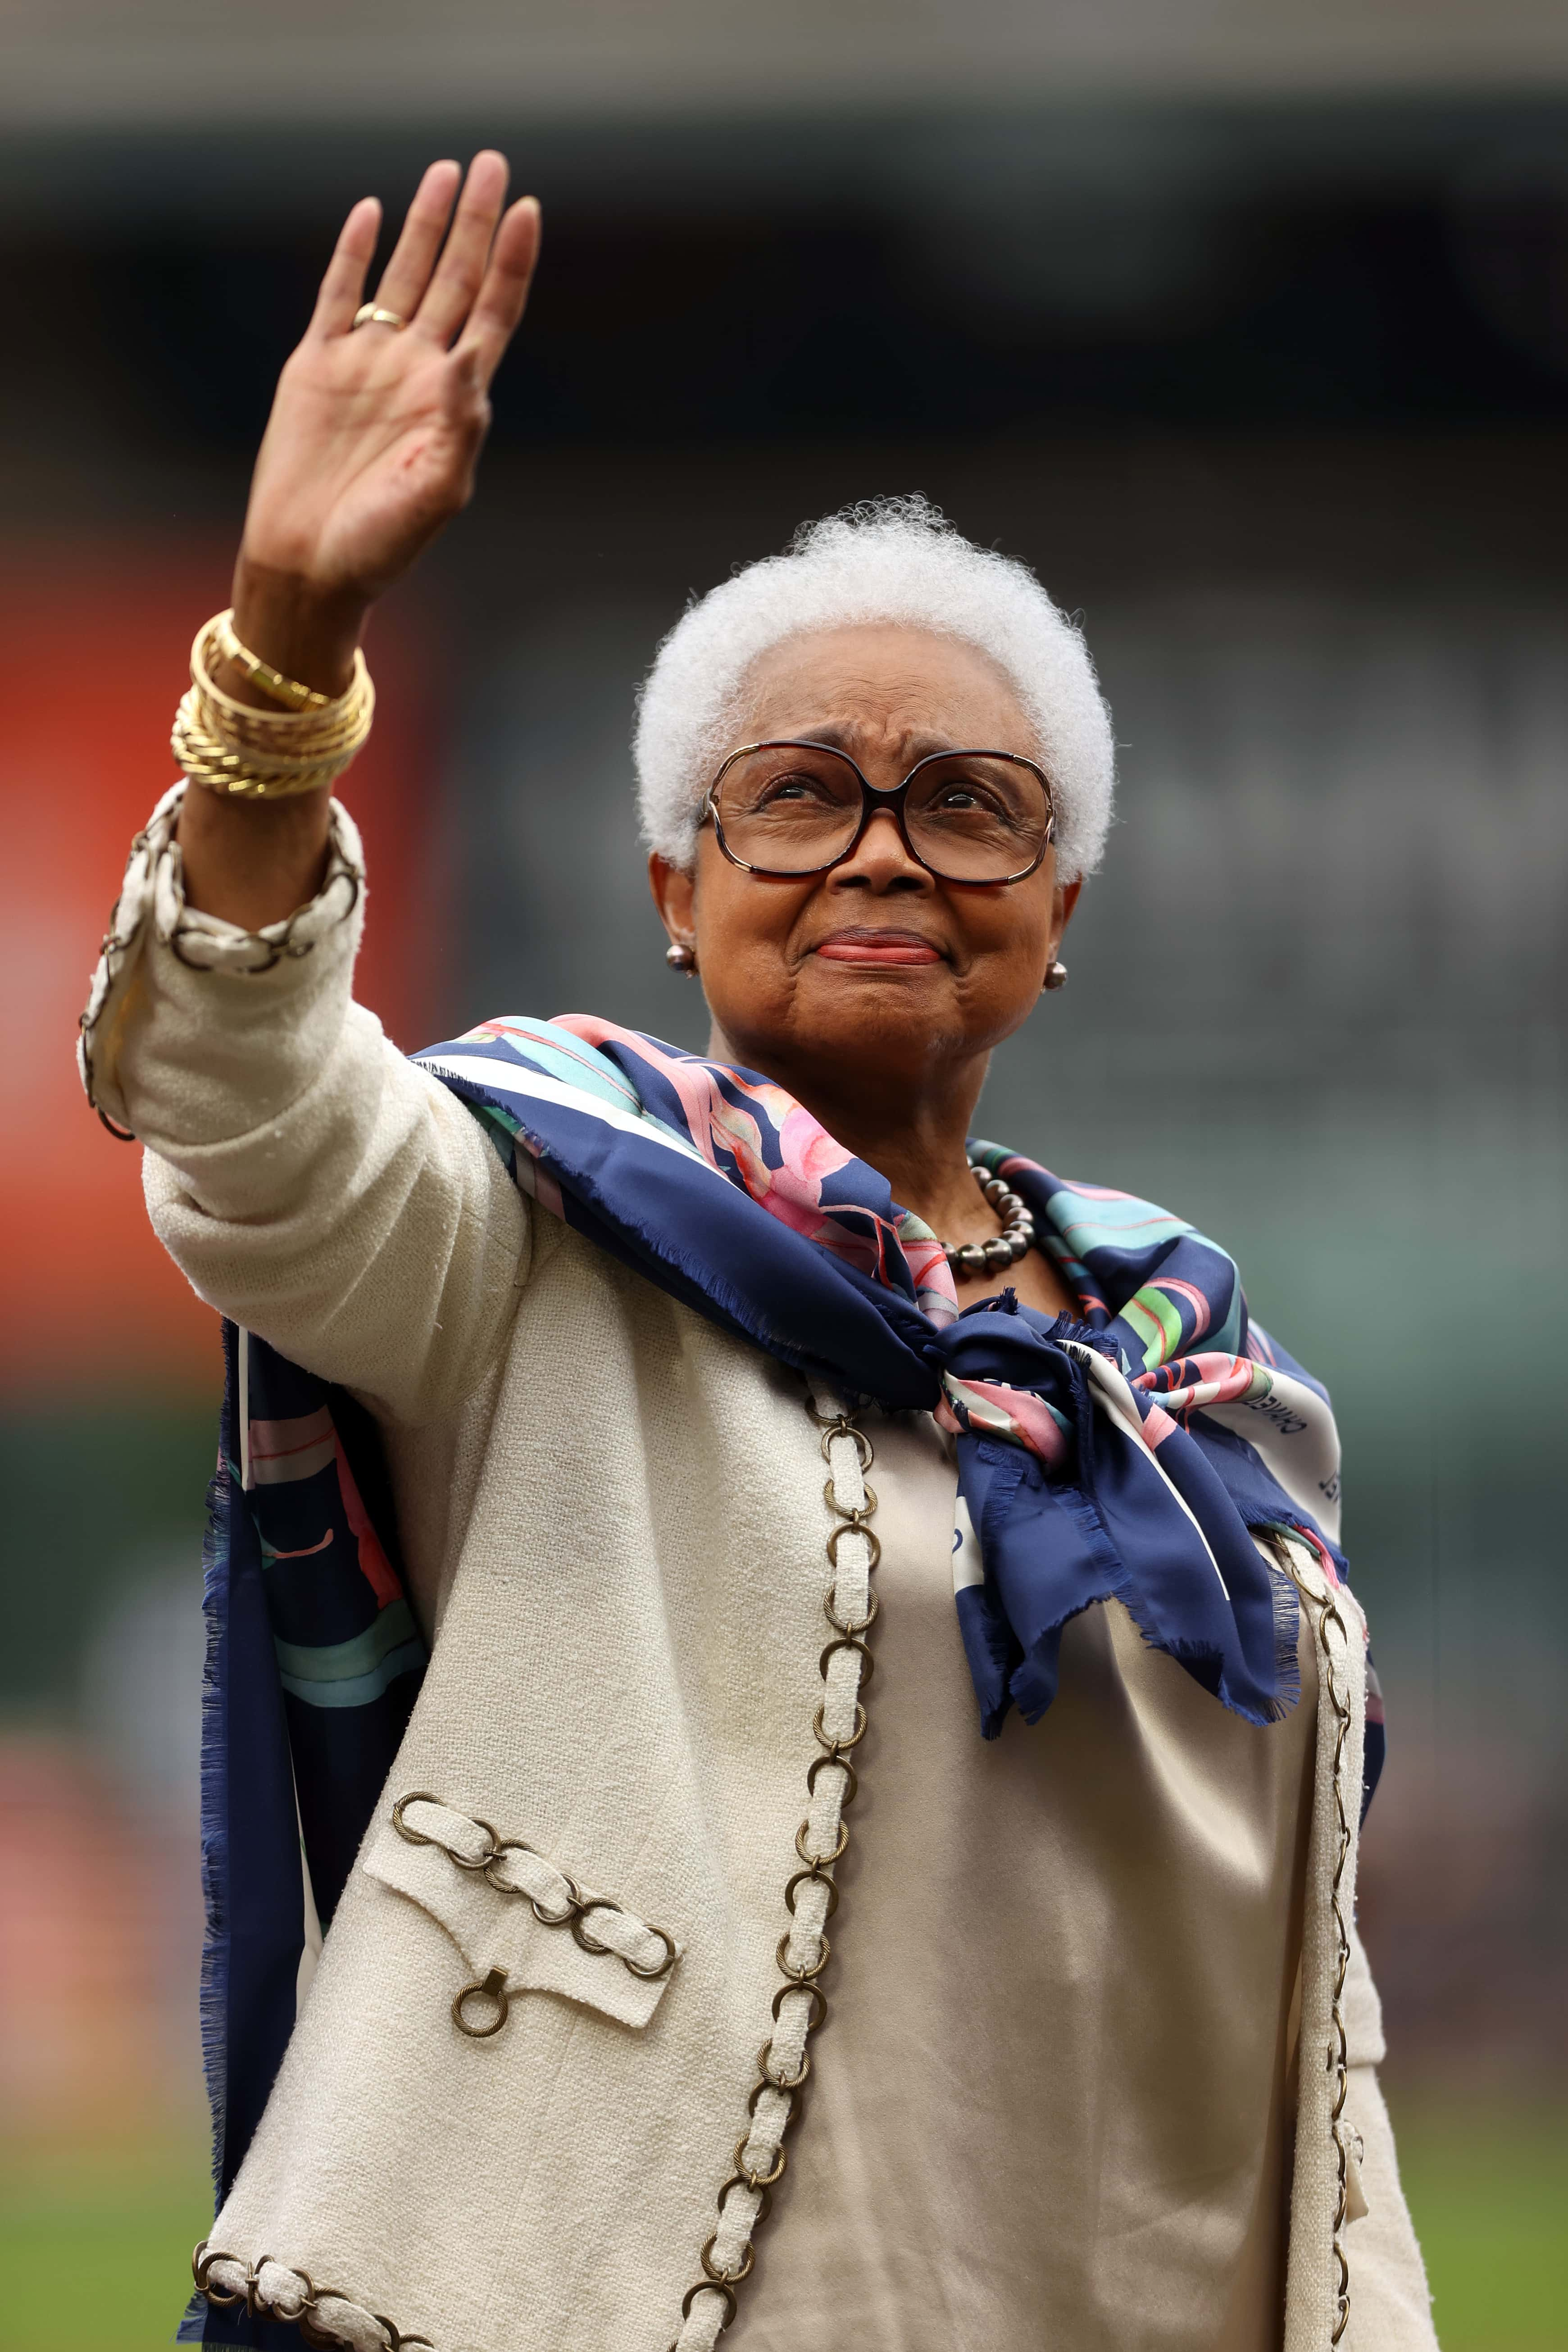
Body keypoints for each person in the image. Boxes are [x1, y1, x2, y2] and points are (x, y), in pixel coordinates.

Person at [80, 153, 1438, 2352]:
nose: (882, 851)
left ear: (1058, 912)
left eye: (970, 803)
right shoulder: (540, 1232)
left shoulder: (1217, 1399)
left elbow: (1322, 2030)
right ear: (673, 885)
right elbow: (239, 1113)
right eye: (796, 794)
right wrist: (288, 637)